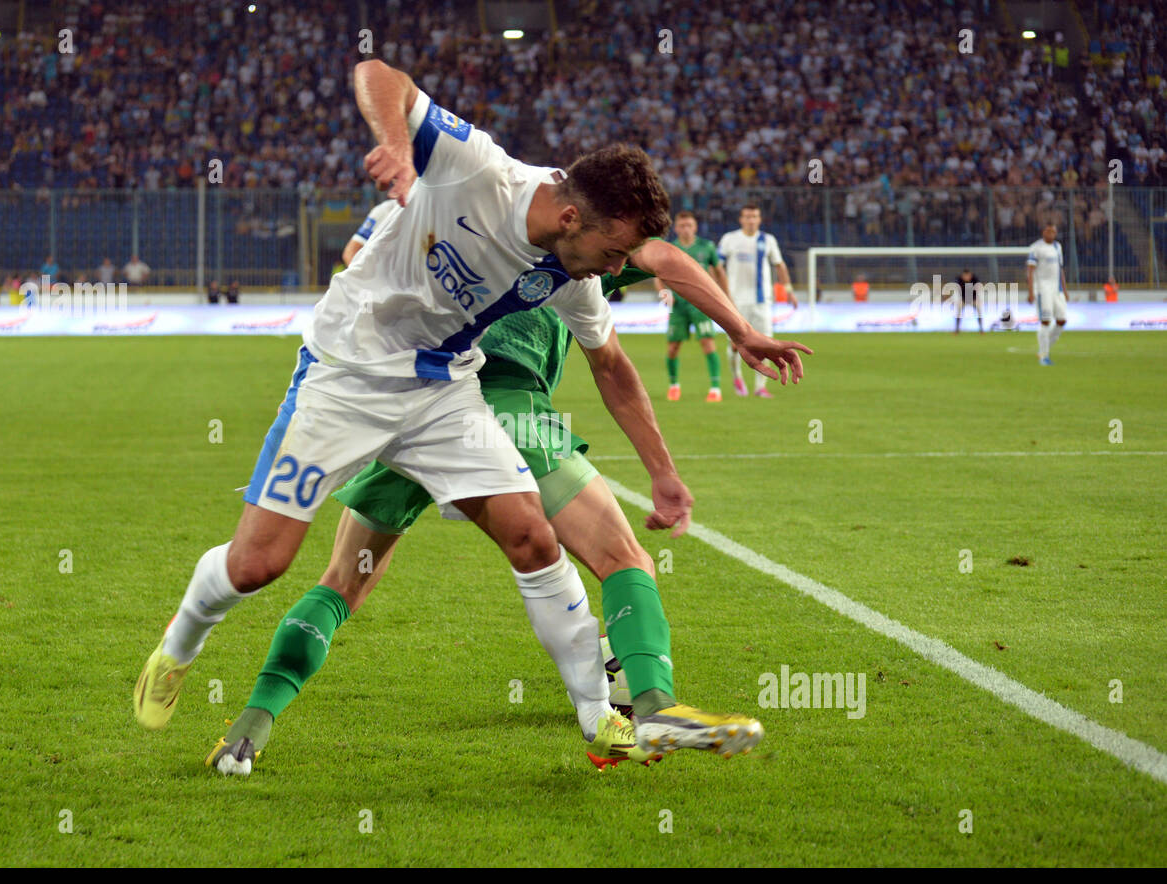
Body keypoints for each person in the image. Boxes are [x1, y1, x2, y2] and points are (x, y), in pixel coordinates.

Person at [134, 58, 807, 777]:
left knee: (532, 537)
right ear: (573, 216)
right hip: (348, 375)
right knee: (257, 564)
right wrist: (396, 145)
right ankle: (180, 642)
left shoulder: (572, 271)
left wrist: (739, 331)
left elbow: (624, 336)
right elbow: (375, 72)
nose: (613, 271)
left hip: (446, 391)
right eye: (611, 253)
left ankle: (606, 719)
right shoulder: (474, 166)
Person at [718, 204, 799, 397]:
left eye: (754, 216)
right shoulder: (729, 239)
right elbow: (716, 267)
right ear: (741, 219)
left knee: (766, 345)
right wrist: (719, 293)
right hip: (735, 302)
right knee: (734, 345)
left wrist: (788, 290)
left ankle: (760, 387)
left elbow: (779, 265)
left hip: (762, 302)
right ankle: (737, 377)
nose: (751, 220)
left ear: (760, 219)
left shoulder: (768, 240)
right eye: (747, 217)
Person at [655, 211, 727, 402]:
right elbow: (657, 274)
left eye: (689, 225)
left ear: (695, 227)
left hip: (701, 304)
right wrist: (663, 293)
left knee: (708, 343)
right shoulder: (669, 248)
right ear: (676, 228)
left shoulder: (706, 247)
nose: (686, 229)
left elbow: (719, 272)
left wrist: (726, 297)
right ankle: (674, 386)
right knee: (672, 347)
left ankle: (715, 388)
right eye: (682, 225)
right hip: (678, 305)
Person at [1027, 223, 1067, 365]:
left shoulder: (1058, 247)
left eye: (1053, 231)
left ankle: (1043, 349)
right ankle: (1044, 356)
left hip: (1057, 290)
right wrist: (1031, 292)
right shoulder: (1036, 247)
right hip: (1043, 290)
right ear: (1043, 232)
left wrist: (1065, 289)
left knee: (1062, 320)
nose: (1051, 234)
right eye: (1048, 231)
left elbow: (1060, 269)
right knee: (1045, 321)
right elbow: (1030, 270)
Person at [952, 267, 983, 334]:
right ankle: (956, 330)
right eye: (965, 275)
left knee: (979, 311)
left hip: (973, 299)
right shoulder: (959, 279)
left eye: (968, 275)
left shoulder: (975, 279)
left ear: (970, 275)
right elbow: (956, 287)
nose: (966, 277)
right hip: (963, 299)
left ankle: (981, 329)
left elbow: (979, 287)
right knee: (958, 311)